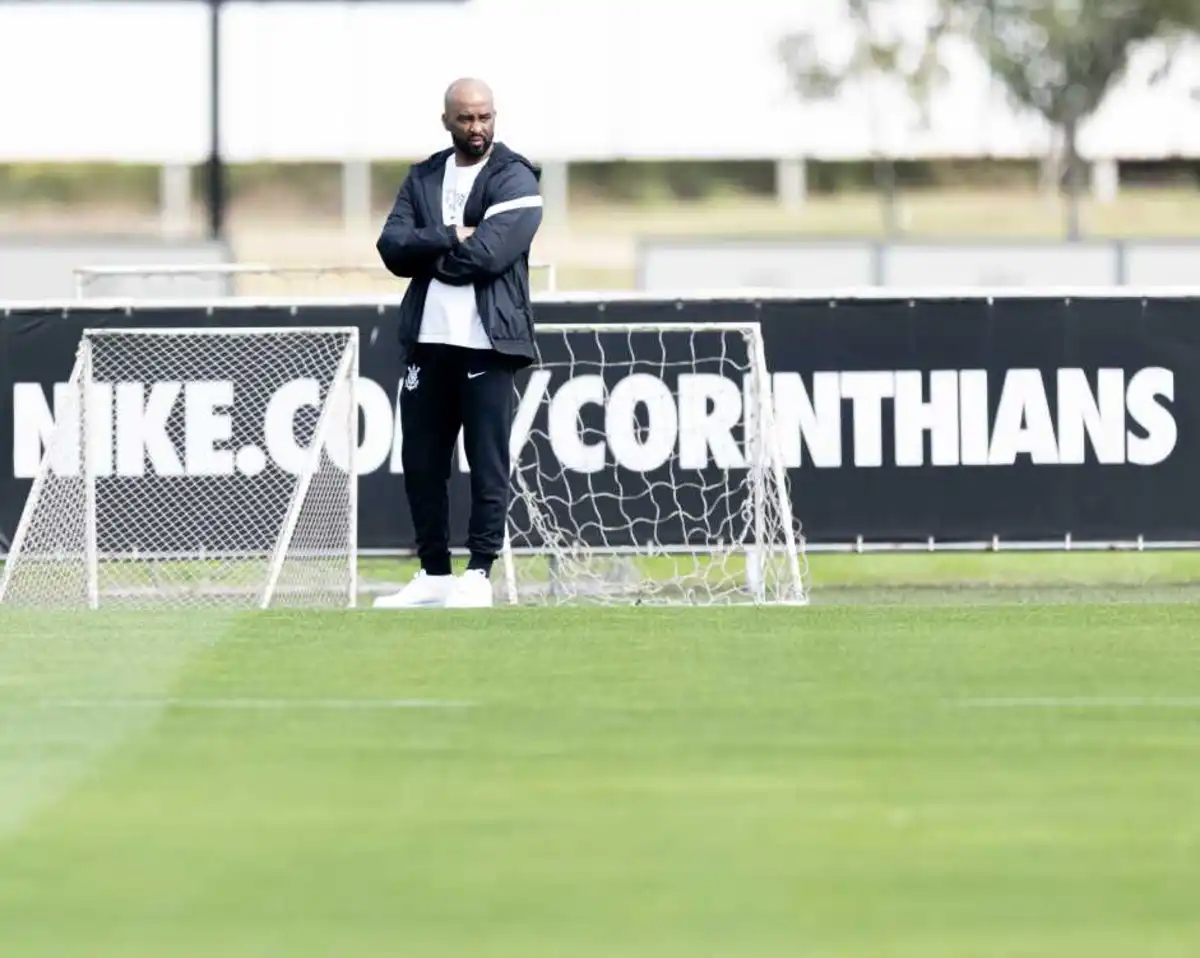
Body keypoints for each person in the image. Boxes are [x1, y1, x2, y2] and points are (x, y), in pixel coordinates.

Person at [373, 78, 543, 609]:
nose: (478, 128)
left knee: (486, 460)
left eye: (485, 117)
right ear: (446, 120)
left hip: (486, 343)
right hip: (428, 342)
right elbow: (390, 247)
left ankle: (479, 573)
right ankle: (433, 574)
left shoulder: (516, 178)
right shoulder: (423, 176)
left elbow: (488, 256)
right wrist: (450, 235)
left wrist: (429, 251)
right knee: (422, 461)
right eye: (467, 119)